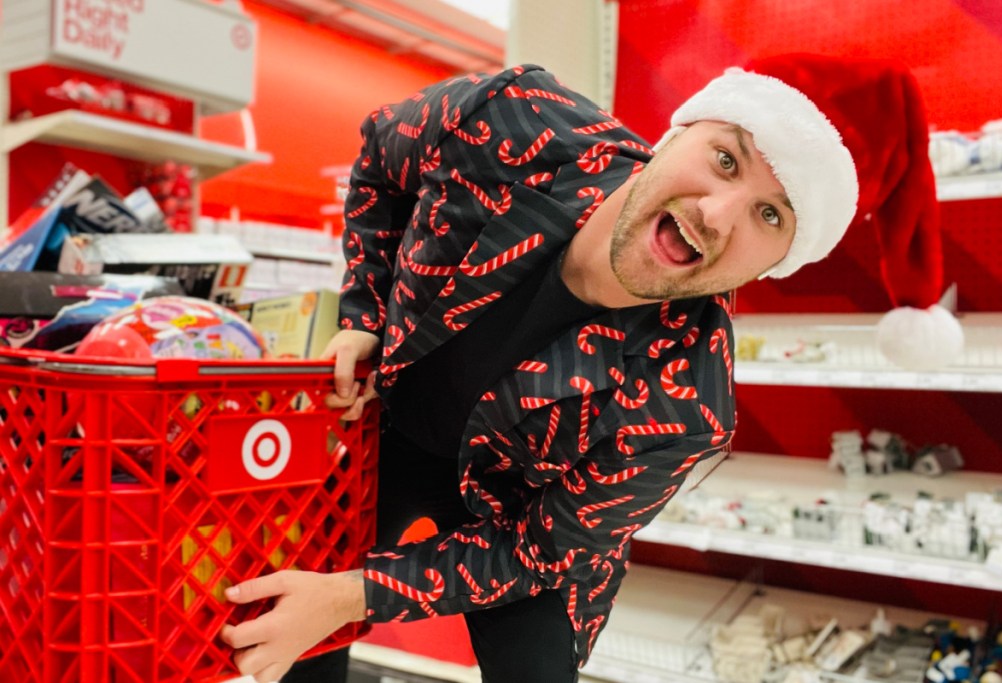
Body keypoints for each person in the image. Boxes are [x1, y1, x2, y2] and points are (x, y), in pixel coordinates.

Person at [220, 53, 954, 682]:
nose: (719, 214)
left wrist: (358, 594)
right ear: (678, 132)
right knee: (296, 628)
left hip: (518, 510)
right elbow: (381, 161)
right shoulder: (515, 121)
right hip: (384, 430)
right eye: (726, 158)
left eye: (772, 216)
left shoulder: (688, 401)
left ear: (781, 260)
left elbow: (540, 547)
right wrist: (362, 315)